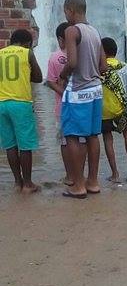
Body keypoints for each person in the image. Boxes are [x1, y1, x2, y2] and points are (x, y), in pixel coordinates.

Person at [60, 0, 107, 199]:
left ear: (70, 10)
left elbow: (71, 63)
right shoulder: (94, 32)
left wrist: (62, 75)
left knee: (71, 136)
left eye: (65, 12)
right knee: (92, 136)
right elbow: (103, 66)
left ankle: (78, 186)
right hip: (96, 91)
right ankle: (93, 182)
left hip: (77, 91)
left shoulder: (72, 31)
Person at [0, 28, 42, 193]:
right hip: (21, 103)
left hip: (1, 103)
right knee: (25, 145)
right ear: (28, 43)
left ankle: (17, 183)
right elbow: (38, 77)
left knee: (10, 145)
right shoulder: (27, 53)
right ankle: (28, 184)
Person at [100, 37, 127, 182]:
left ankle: (115, 174)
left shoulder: (99, 68)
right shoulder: (124, 67)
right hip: (122, 109)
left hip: (104, 111)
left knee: (107, 138)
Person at [45, 21, 71, 183]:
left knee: (65, 142)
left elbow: (50, 82)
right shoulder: (82, 55)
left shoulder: (54, 57)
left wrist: (65, 94)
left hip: (62, 108)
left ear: (60, 39)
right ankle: (80, 175)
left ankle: (69, 176)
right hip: (82, 106)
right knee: (82, 140)